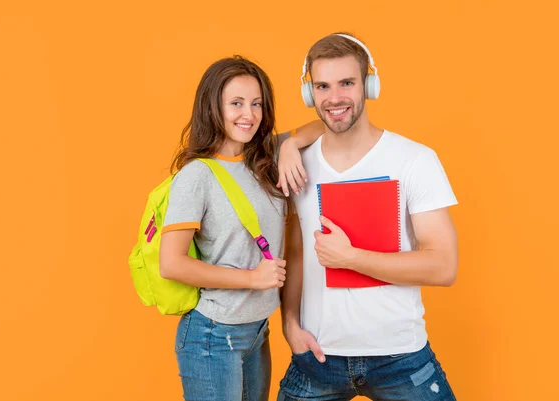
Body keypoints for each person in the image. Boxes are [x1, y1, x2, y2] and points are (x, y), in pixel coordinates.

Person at [277, 33, 459, 400]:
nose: (335, 98)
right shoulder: (297, 165)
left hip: (399, 356)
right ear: (310, 94)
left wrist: (351, 258)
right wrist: (290, 326)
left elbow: (443, 267)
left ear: (368, 85)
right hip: (317, 357)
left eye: (347, 83)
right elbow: (294, 252)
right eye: (323, 86)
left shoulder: (414, 160)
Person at [158, 56, 321, 401]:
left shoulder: (265, 157)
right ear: (213, 107)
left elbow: (323, 124)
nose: (248, 114)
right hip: (212, 337)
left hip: (256, 332)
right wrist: (252, 278)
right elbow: (171, 264)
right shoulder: (197, 175)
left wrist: (289, 144)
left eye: (256, 103)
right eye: (236, 103)